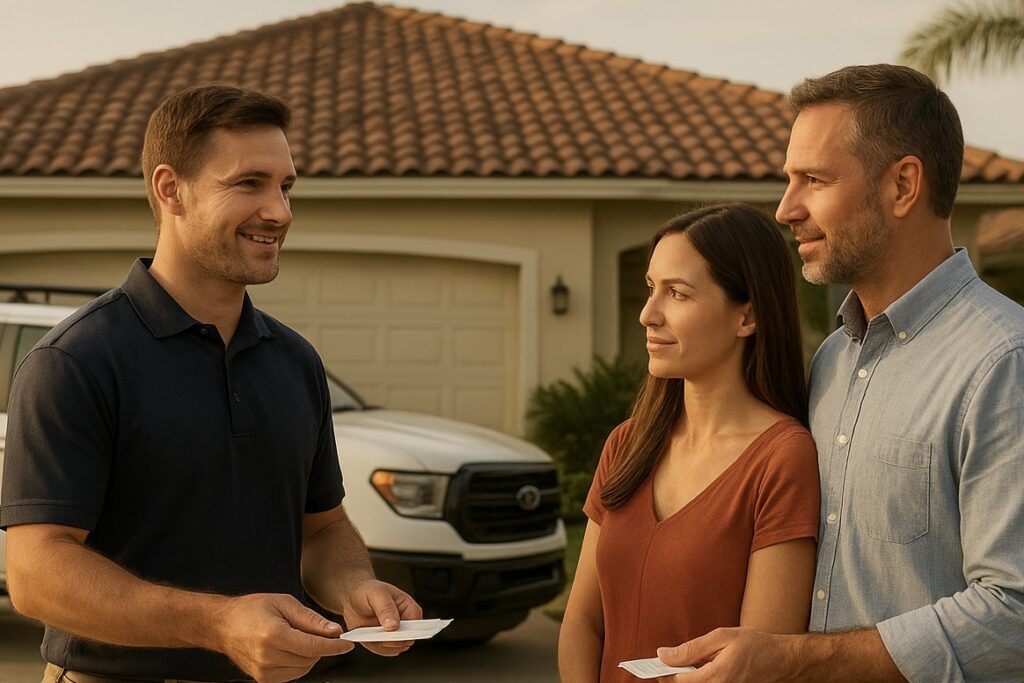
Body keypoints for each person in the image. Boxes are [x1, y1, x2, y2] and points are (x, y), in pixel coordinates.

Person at [0, 85, 422, 683]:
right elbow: (36, 573)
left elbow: (322, 528)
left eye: (285, 186)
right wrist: (219, 624)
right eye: (249, 183)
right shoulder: (76, 361)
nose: (279, 211)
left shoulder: (296, 361)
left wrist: (357, 588)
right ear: (170, 189)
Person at [658, 65, 1024, 682]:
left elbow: (1013, 615)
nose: (785, 209)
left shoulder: (1002, 363)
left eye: (814, 180)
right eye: (788, 181)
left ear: (903, 185)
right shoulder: (832, 360)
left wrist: (795, 660)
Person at [558, 203, 821, 683]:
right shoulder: (626, 445)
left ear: (748, 316)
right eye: (650, 288)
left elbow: (759, 663)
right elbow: (581, 624)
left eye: (677, 293)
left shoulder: (783, 459)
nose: (647, 315)